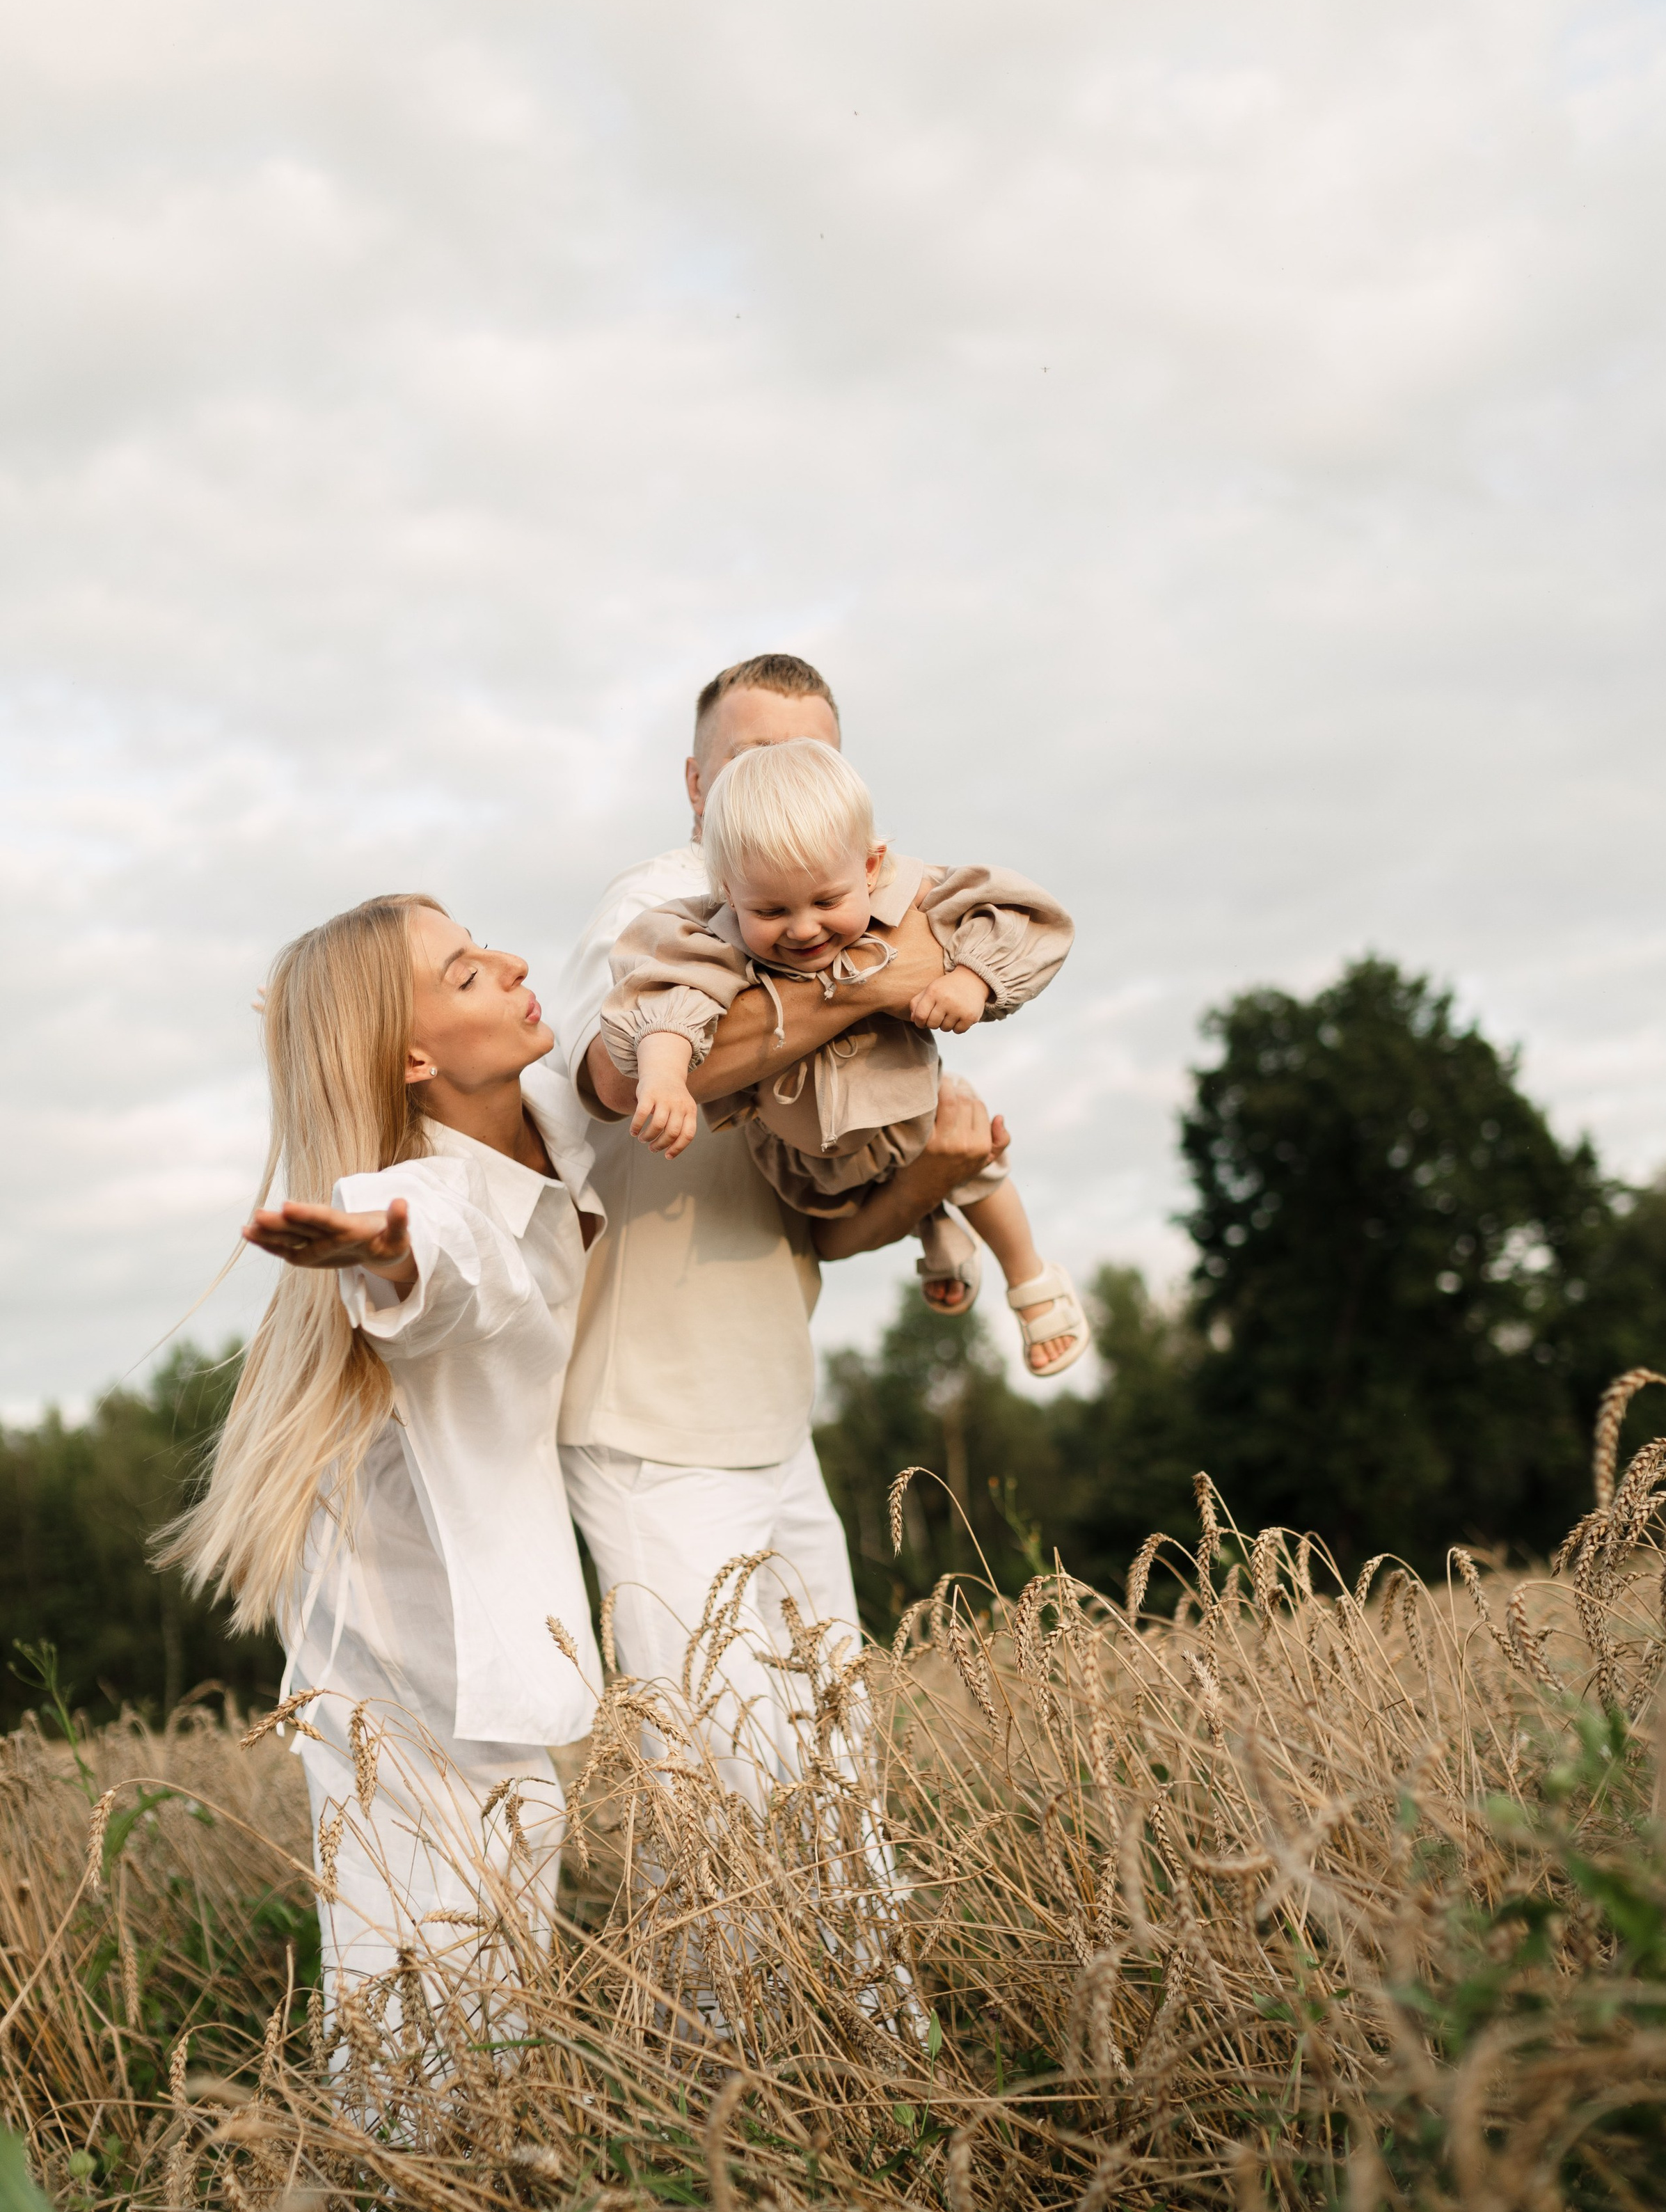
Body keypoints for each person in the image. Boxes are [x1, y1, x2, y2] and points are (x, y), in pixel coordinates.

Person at [552, 652, 1015, 1800]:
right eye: (755, 758)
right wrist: (879, 972)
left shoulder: (817, 921)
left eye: (810, 760)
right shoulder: (660, 904)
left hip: (767, 1408)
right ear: (699, 783)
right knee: (728, 1780)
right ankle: (733, 1996)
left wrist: (936, 1181)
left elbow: (829, 1235)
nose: (779, 782)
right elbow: (612, 1081)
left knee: (832, 1763)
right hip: (652, 1419)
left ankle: (855, 1993)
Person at [162, 894, 605, 2049]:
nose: (511, 963)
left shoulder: (546, 1108)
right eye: (466, 974)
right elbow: (442, 1257)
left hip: (460, 1552)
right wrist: (389, 1259)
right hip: (402, 1577)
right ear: (413, 1058)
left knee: (506, 1854)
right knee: (433, 1892)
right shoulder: (415, 1197)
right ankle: (409, 2179)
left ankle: (447, 2171)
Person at [602, 734, 1090, 1377]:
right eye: (770, 910)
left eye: (827, 902)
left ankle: (1029, 1278)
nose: (803, 929)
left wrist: (972, 978)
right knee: (861, 1201)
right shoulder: (711, 932)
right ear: (725, 888)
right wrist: (664, 1074)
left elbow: (1020, 918)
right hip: (803, 1155)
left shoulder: (910, 894)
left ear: (869, 866)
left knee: (976, 1156)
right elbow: (670, 995)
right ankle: (937, 1232)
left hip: (910, 1106)